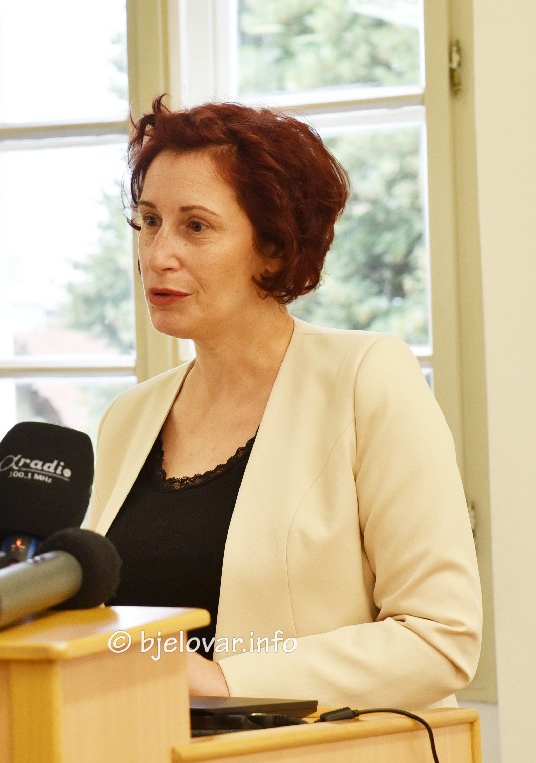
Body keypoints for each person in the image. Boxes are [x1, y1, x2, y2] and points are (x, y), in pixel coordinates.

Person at [86, 95, 482, 710]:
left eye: (196, 226)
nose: (158, 255)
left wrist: (228, 683)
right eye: (150, 221)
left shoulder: (365, 378)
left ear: (274, 246)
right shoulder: (128, 417)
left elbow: (440, 639)